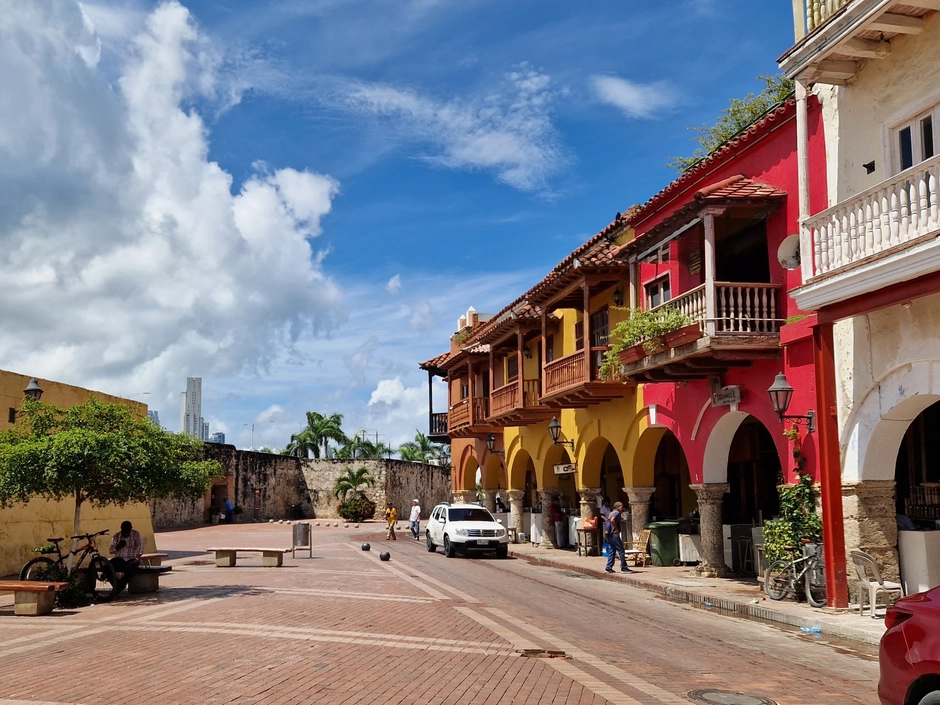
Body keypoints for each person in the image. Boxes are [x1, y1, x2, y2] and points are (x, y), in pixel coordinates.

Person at [109, 521, 144, 595]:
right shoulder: (117, 536)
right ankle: (116, 584)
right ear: (121, 529)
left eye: (127, 531)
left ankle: (121, 585)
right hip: (120, 559)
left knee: (131, 569)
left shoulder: (135, 534)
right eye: (124, 531)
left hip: (132, 558)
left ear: (130, 529)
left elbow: (140, 546)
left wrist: (137, 556)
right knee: (107, 567)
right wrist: (118, 546)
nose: (125, 534)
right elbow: (111, 550)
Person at [605, 502, 633, 574]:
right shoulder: (616, 513)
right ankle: (624, 567)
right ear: (617, 507)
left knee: (612, 551)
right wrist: (616, 529)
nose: (622, 508)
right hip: (614, 534)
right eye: (621, 507)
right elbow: (612, 520)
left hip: (609, 535)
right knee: (621, 550)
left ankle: (608, 567)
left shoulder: (611, 513)